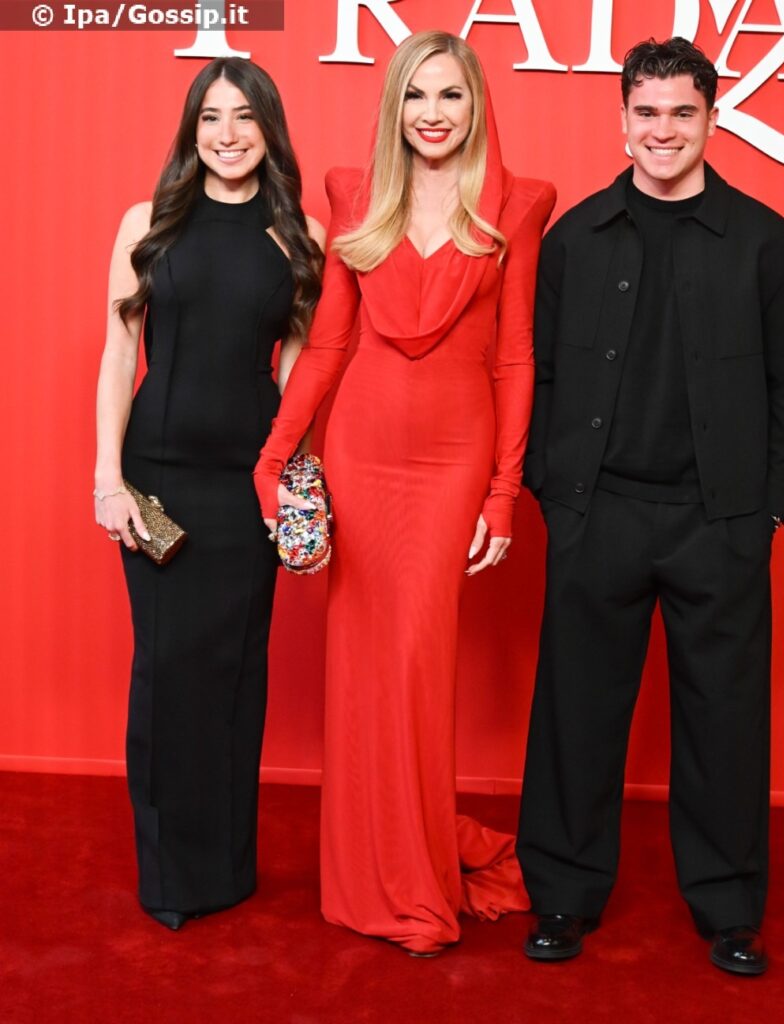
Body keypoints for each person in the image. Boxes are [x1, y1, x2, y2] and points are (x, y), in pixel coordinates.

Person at [517, 37, 784, 974]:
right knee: (574, 714)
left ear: (710, 119)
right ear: (621, 120)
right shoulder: (573, 240)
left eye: (681, 112)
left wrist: (766, 508)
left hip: (716, 520)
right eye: (646, 112)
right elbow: (540, 373)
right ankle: (562, 897)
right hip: (596, 511)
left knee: (724, 720)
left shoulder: (769, 243)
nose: (662, 130)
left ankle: (728, 909)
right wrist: (554, 495)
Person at [254, 31, 555, 956]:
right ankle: (363, 875)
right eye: (416, 95)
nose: (432, 113)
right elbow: (330, 344)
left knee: (418, 668)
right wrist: (275, 455)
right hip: (361, 454)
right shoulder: (354, 194)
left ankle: (417, 874)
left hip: (451, 463)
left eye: (450, 95)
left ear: (476, 106)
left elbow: (515, 357)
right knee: (359, 669)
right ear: (394, 106)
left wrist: (503, 491)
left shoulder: (518, 204)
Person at [94, 58, 325, 930]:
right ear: (191, 131)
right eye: (210, 118)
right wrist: (107, 479)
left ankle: (228, 868)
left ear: (269, 129)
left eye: (244, 117)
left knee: (234, 673)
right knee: (166, 673)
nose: (227, 135)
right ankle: (171, 877)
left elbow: (299, 372)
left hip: (246, 485)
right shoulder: (147, 221)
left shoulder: (299, 234)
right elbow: (120, 354)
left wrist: (295, 487)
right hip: (156, 481)